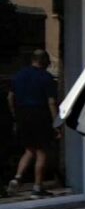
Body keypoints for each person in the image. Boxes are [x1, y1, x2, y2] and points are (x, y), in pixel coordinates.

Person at [7, 49, 60, 198]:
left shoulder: (19, 75)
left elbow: (10, 97)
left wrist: (15, 115)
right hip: (40, 116)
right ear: (44, 61)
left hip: (23, 115)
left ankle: (17, 178)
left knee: (29, 150)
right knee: (42, 152)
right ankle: (37, 187)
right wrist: (56, 123)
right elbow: (51, 102)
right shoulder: (47, 78)